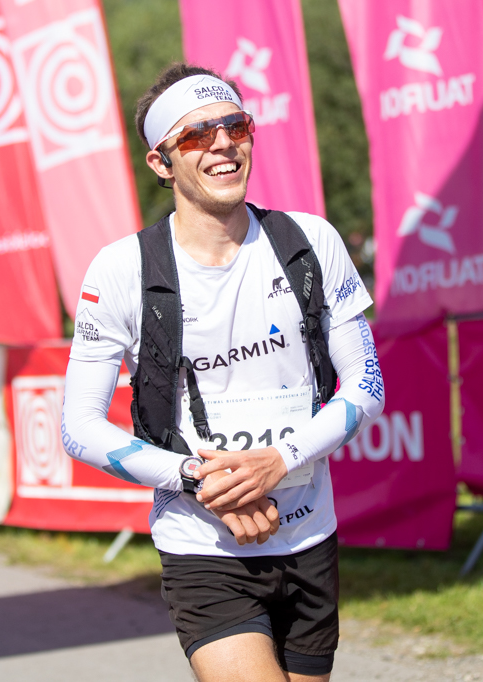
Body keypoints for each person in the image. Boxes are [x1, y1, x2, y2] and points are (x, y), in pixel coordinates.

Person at [61, 63, 385, 682]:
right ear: (161, 163)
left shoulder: (310, 241)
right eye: (195, 135)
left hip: (309, 535)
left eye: (235, 126)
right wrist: (195, 479)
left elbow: (366, 385)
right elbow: (78, 427)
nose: (221, 144)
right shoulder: (121, 270)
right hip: (201, 543)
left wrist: (280, 460)